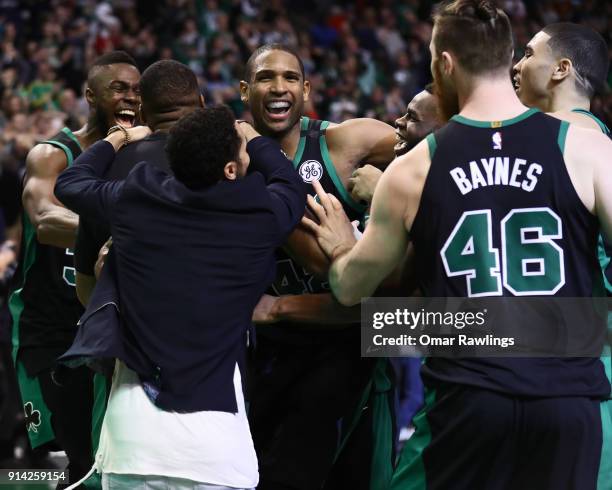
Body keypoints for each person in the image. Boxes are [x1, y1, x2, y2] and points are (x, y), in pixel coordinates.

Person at [301, 1, 612, 489]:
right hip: (568, 400)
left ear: (443, 64)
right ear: (507, 57)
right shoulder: (588, 148)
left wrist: (341, 246)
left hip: (471, 400)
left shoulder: (412, 169)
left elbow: (348, 288)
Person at [54, 105, 306, 490]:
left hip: (131, 448)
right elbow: (289, 183)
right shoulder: (259, 213)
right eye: (241, 151)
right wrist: (255, 137)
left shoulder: (136, 198)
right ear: (230, 170)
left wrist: (117, 137)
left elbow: (70, 183)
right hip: (216, 456)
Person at [240, 43, 396, 490]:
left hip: (348, 343)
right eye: (267, 77)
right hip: (267, 348)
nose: (278, 87)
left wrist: (385, 189)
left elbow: (438, 145)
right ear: (244, 89)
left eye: (290, 78)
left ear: (306, 91)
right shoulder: (231, 154)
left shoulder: (347, 142)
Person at [8, 50, 140, 486]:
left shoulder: (141, 153)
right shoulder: (52, 154)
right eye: (119, 88)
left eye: (137, 90)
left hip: (105, 327)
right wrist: (125, 228)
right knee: (70, 456)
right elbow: (45, 222)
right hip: (50, 331)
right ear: (90, 95)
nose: (131, 98)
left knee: (99, 458)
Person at [512, 22, 612, 489]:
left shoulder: (518, 144)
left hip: (545, 368)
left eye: (529, 54)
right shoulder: (600, 147)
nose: (517, 64)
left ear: (562, 69)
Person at [74, 59, 204, 307]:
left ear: (143, 114)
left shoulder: (104, 168)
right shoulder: (231, 161)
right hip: (215, 333)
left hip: (131, 334)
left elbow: (85, 288)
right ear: (202, 104)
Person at [348, 84, 438, 205]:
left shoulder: (449, 193)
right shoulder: (398, 176)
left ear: (444, 132)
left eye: (413, 118)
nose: (399, 121)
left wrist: (381, 191)